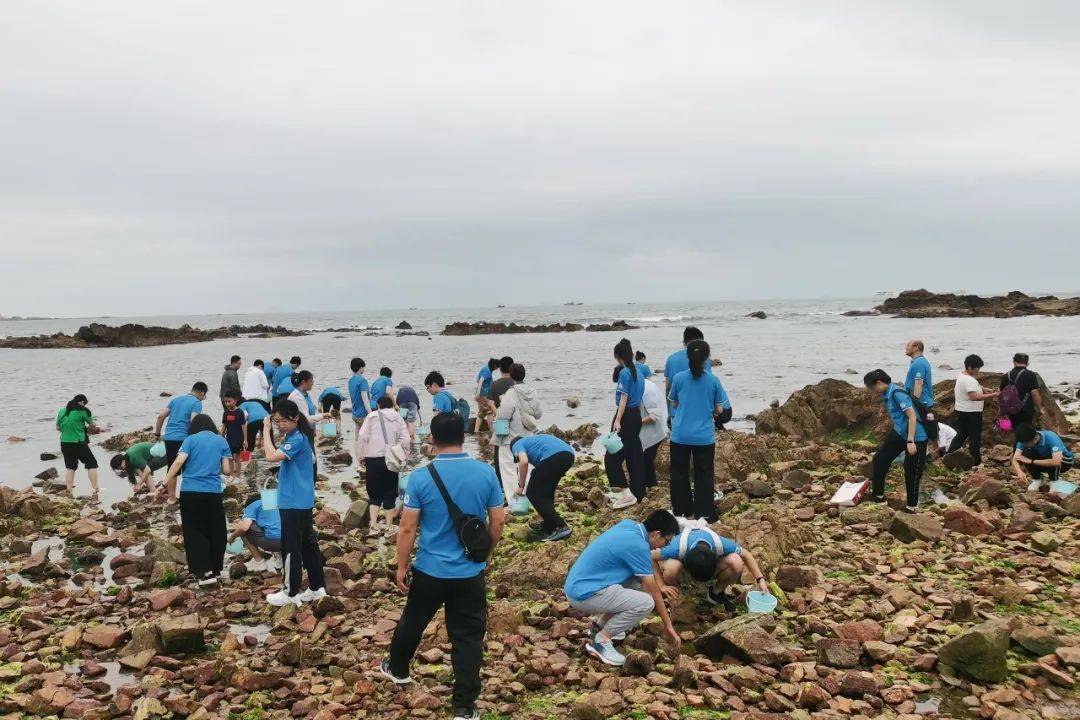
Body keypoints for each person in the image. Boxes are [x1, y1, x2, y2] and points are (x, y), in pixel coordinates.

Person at [380, 413, 505, 720]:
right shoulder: (485, 472)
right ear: (464, 436)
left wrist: (401, 566)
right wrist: (487, 552)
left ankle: (397, 670)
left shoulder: (421, 477)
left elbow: (408, 528)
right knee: (467, 637)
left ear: (432, 440)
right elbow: (498, 519)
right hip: (469, 572)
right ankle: (463, 707)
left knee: (414, 620)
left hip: (430, 569)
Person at [564, 509, 682, 667]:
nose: (665, 546)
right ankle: (601, 641)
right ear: (656, 534)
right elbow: (653, 590)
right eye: (666, 541)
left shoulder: (629, 526)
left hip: (579, 585)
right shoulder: (637, 545)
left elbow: (646, 576)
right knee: (646, 603)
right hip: (584, 594)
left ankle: (598, 627)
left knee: (637, 584)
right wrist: (668, 625)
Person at [262, 400, 327, 607]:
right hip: (302, 500)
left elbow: (271, 456)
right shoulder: (298, 437)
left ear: (295, 418)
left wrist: (265, 430)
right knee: (308, 544)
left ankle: (290, 592)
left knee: (291, 547)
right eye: (276, 421)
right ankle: (317, 587)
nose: (279, 425)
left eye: (282, 421)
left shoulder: (296, 439)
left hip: (293, 501)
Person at [163, 414, 231, 585]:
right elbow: (227, 470)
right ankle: (216, 570)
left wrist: (164, 483)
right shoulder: (221, 441)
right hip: (213, 492)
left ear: (193, 427)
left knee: (195, 531)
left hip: (191, 492)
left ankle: (204, 572)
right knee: (216, 530)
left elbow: (178, 463)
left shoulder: (190, 440)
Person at [668, 339, 729, 521]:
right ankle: (705, 513)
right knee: (704, 475)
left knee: (679, 474)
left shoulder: (678, 378)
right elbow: (720, 410)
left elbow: (675, 402)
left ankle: (682, 511)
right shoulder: (713, 381)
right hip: (704, 437)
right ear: (707, 358)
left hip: (680, 435)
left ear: (688, 356)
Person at [653, 518, 769, 613]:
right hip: (685, 570)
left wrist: (760, 579)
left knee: (736, 561)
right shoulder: (677, 547)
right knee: (671, 568)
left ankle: (715, 593)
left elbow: (746, 554)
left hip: (706, 567)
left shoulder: (720, 543)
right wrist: (661, 585)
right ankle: (677, 595)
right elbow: (649, 557)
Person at [864, 369, 927, 509]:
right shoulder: (887, 392)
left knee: (912, 472)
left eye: (871, 387)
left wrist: (910, 441)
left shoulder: (897, 393)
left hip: (916, 436)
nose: (871, 391)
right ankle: (879, 496)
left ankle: (912, 507)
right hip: (899, 433)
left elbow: (912, 416)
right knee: (879, 459)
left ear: (879, 383)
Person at [356, 396, 411, 537]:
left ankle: (373, 526)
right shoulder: (398, 417)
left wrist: (361, 456)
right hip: (391, 459)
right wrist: (404, 456)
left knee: (374, 493)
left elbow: (362, 436)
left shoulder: (371, 416)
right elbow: (406, 439)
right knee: (390, 492)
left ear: (379, 405)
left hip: (372, 458)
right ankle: (388, 527)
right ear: (392, 405)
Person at [511, 433, 574, 542]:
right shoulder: (533, 441)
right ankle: (549, 525)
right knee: (546, 493)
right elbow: (541, 472)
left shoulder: (517, 444)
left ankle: (561, 526)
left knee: (532, 493)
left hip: (554, 457)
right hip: (568, 456)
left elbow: (524, 462)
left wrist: (521, 486)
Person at [494, 363, 542, 501]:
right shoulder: (533, 391)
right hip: (528, 435)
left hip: (511, 436)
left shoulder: (511, 393)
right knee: (528, 466)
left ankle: (512, 499)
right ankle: (527, 496)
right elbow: (538, 414)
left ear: (511, 375)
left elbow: (503, 416)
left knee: (507, 466)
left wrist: (502, 401)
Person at [611, 339, 647, 504]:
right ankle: (638, 492)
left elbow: (624, 398)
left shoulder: (625, 373)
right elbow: (638, 399)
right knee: (634, 454)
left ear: (618, 356)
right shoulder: (639, 373)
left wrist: (618, 420)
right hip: (636, 416)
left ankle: (624, 494)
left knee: (612, 456)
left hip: (625, 415)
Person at [947, 354, 998, 466]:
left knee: (962, 434)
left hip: (961, 410)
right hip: (971, 413)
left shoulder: (962, 375)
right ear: (970, 367)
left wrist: (985, 389)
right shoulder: (969, 380)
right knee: (975, 436)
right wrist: (992, 395)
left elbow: (974, 387)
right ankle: (975, 461)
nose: (978, 370)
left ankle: (949, 454)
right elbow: (974, 397)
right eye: (977, 368)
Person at [155, 382, 207, 471]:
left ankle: (168, 485)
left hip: (169, 438)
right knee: (189, 468)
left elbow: (161, 416)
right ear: (202, 393)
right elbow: (193, 421)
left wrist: (157, 434)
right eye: (204, 396)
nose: (203, 398)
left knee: (172, 469)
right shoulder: (196, 403)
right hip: (184, 439)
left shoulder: (176, 400)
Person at [56, 395, 99, 495]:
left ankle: (69, 491)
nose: (84, 405)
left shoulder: (62, 411)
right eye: (85, 403)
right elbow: (92, 426)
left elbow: (58, 428)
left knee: (70, 467)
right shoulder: (83, 411)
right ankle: (95, 489)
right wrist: (95, 427)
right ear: (82, 402)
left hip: (65, 443)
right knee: (91, 464)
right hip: (78, 442)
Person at [1012, 423, 1074, 492]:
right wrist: (1019, 472)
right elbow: (1016, 458)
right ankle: (1038, 479)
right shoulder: (1024, 439)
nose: (1024, 445)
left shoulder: (1051, 438)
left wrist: (1031, 461)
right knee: (1026, 453)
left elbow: (1056, 461)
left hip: (1064, 462)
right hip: (1044, 460)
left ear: (1035, 438)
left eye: (1026, 444)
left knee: (1050, 456)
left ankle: (1055, 481)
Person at [229, 496, 281, 573]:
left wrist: (232, 537)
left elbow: (244, 528)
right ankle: (280, 558)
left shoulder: (252, 506)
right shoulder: (274, 503)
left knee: (242, 529)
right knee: (273, 526)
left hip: (274, 543)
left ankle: (259, 562)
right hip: (290, 542)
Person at [904, 340, 939, 448]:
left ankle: (935, 452)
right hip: (921, 402)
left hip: (922, 403)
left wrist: (913, 402)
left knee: (928, 429)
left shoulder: (919, 363)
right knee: (928, 428)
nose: (905, 347)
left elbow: (919, 383)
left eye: (908, 345)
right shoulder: (915, 362)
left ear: (916, 347)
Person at [488, 356, 516, 484]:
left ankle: (500, 479)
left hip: (500, 421)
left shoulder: (495, 384)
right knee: (515, 446)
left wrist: (498, 413)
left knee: (499, 448)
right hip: (515, 421)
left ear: (500, 369)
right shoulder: (515, 384)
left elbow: (490, 402)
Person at [664, 327, 711, 401]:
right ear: (702, 342)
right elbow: (709, 385)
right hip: (702, 407)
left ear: (684, 342)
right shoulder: (705, 359)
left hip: (677, 409)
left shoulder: (671, 359)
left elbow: (668, 388)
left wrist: (669, 410)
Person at [999, 353, 1044, 431]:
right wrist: (1040, 408)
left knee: (1015, 430)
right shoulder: (1030, 374)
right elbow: (1034, 393)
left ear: (1014, 362)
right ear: (1027, 363)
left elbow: (1002, 394)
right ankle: (1020, 443)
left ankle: (1017, 442)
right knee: (1026, 431)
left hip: (1010, 410)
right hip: (1025, 409)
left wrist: (1001, 410)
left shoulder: (1006, 376)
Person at [639, 375, 669, 492]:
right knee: (646, 461)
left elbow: (654, 415)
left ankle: (651, 489)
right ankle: (651, 488)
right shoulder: (642, 384)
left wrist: (635, 422)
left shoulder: (647, 389)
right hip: (650, 433)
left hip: (655, 433)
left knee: (646, 460)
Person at [220, 391, 247, 477]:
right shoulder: (226, 413)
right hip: (229, 438)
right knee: (230, 457)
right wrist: (220, 437)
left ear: (235, 401)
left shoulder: (240, 412)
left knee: (237, 458)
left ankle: (238, 475)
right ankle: (232, 475)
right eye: (225, 402)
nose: (227, 404)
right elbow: (224, 426)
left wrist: (245, 440)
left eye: (229, 401)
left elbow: (243, 426)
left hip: (238, 438)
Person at [348, 357, 371, 430]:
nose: (364, 369)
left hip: (354, 414)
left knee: (358, 432)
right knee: (367, 435)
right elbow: (365, 399)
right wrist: (371, 413)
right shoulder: (362, 380)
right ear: (361, 368)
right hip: (363, 415)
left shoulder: (350, 380)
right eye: (364, 367)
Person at [475, 358, 497, 431]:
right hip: (484, 395)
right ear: (494, 365)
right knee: (487, 412)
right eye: (497, 367)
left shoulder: (486, 369)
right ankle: (489, 430)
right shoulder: (487, 371)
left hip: (484, 394)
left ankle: (478, 430)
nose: (497, 369)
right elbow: (481, 380)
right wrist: (478, 394)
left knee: (484, 413)